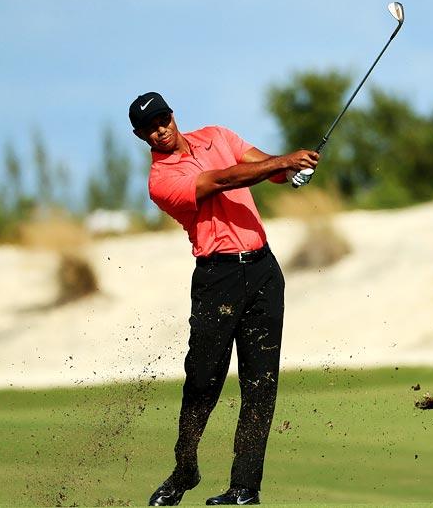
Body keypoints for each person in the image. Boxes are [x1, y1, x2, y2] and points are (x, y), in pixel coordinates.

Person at [128, 92, 319, 506]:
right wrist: (284, 161)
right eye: (150, 127)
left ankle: (244, 488)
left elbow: (262, 167)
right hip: (219, 278)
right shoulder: (160, 181)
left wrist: (292, 171)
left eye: (164, 119)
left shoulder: (217, 135)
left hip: (264, 271)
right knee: (202, 381)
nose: (161, 129)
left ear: (173, 115)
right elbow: (224, 180)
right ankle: (185, 469)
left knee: (261, 382)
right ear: (141, 136)